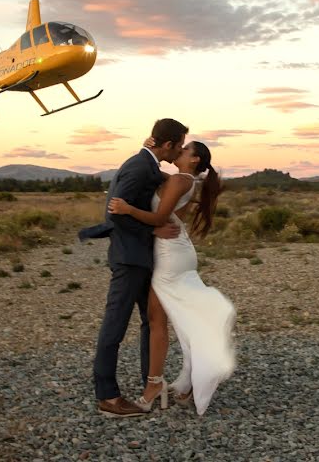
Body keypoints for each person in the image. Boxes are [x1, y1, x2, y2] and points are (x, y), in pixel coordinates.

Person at [108, 140, 235, 416]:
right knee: (172, 320)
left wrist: (128, 211)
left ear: (195, 159)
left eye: (185, 149)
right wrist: (147, 147)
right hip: (175, 251)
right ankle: (182, 381)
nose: (179, 151)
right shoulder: (183, 179)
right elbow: (156, 174)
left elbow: (159, 217)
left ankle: (155, 386)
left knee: (157, 322)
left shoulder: (180, 179)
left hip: (170, 257)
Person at [85, 118, 188, 418]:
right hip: (129, 259)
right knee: (114, 326)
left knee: (150, 322)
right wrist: (151, 232)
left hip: (142, 258)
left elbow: (162, 185)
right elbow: (115, 213)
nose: (180, 149)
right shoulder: (139, 166)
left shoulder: (147, 165)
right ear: (168, 144)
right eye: (179, 144)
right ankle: (107, 397)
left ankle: (150, 385)